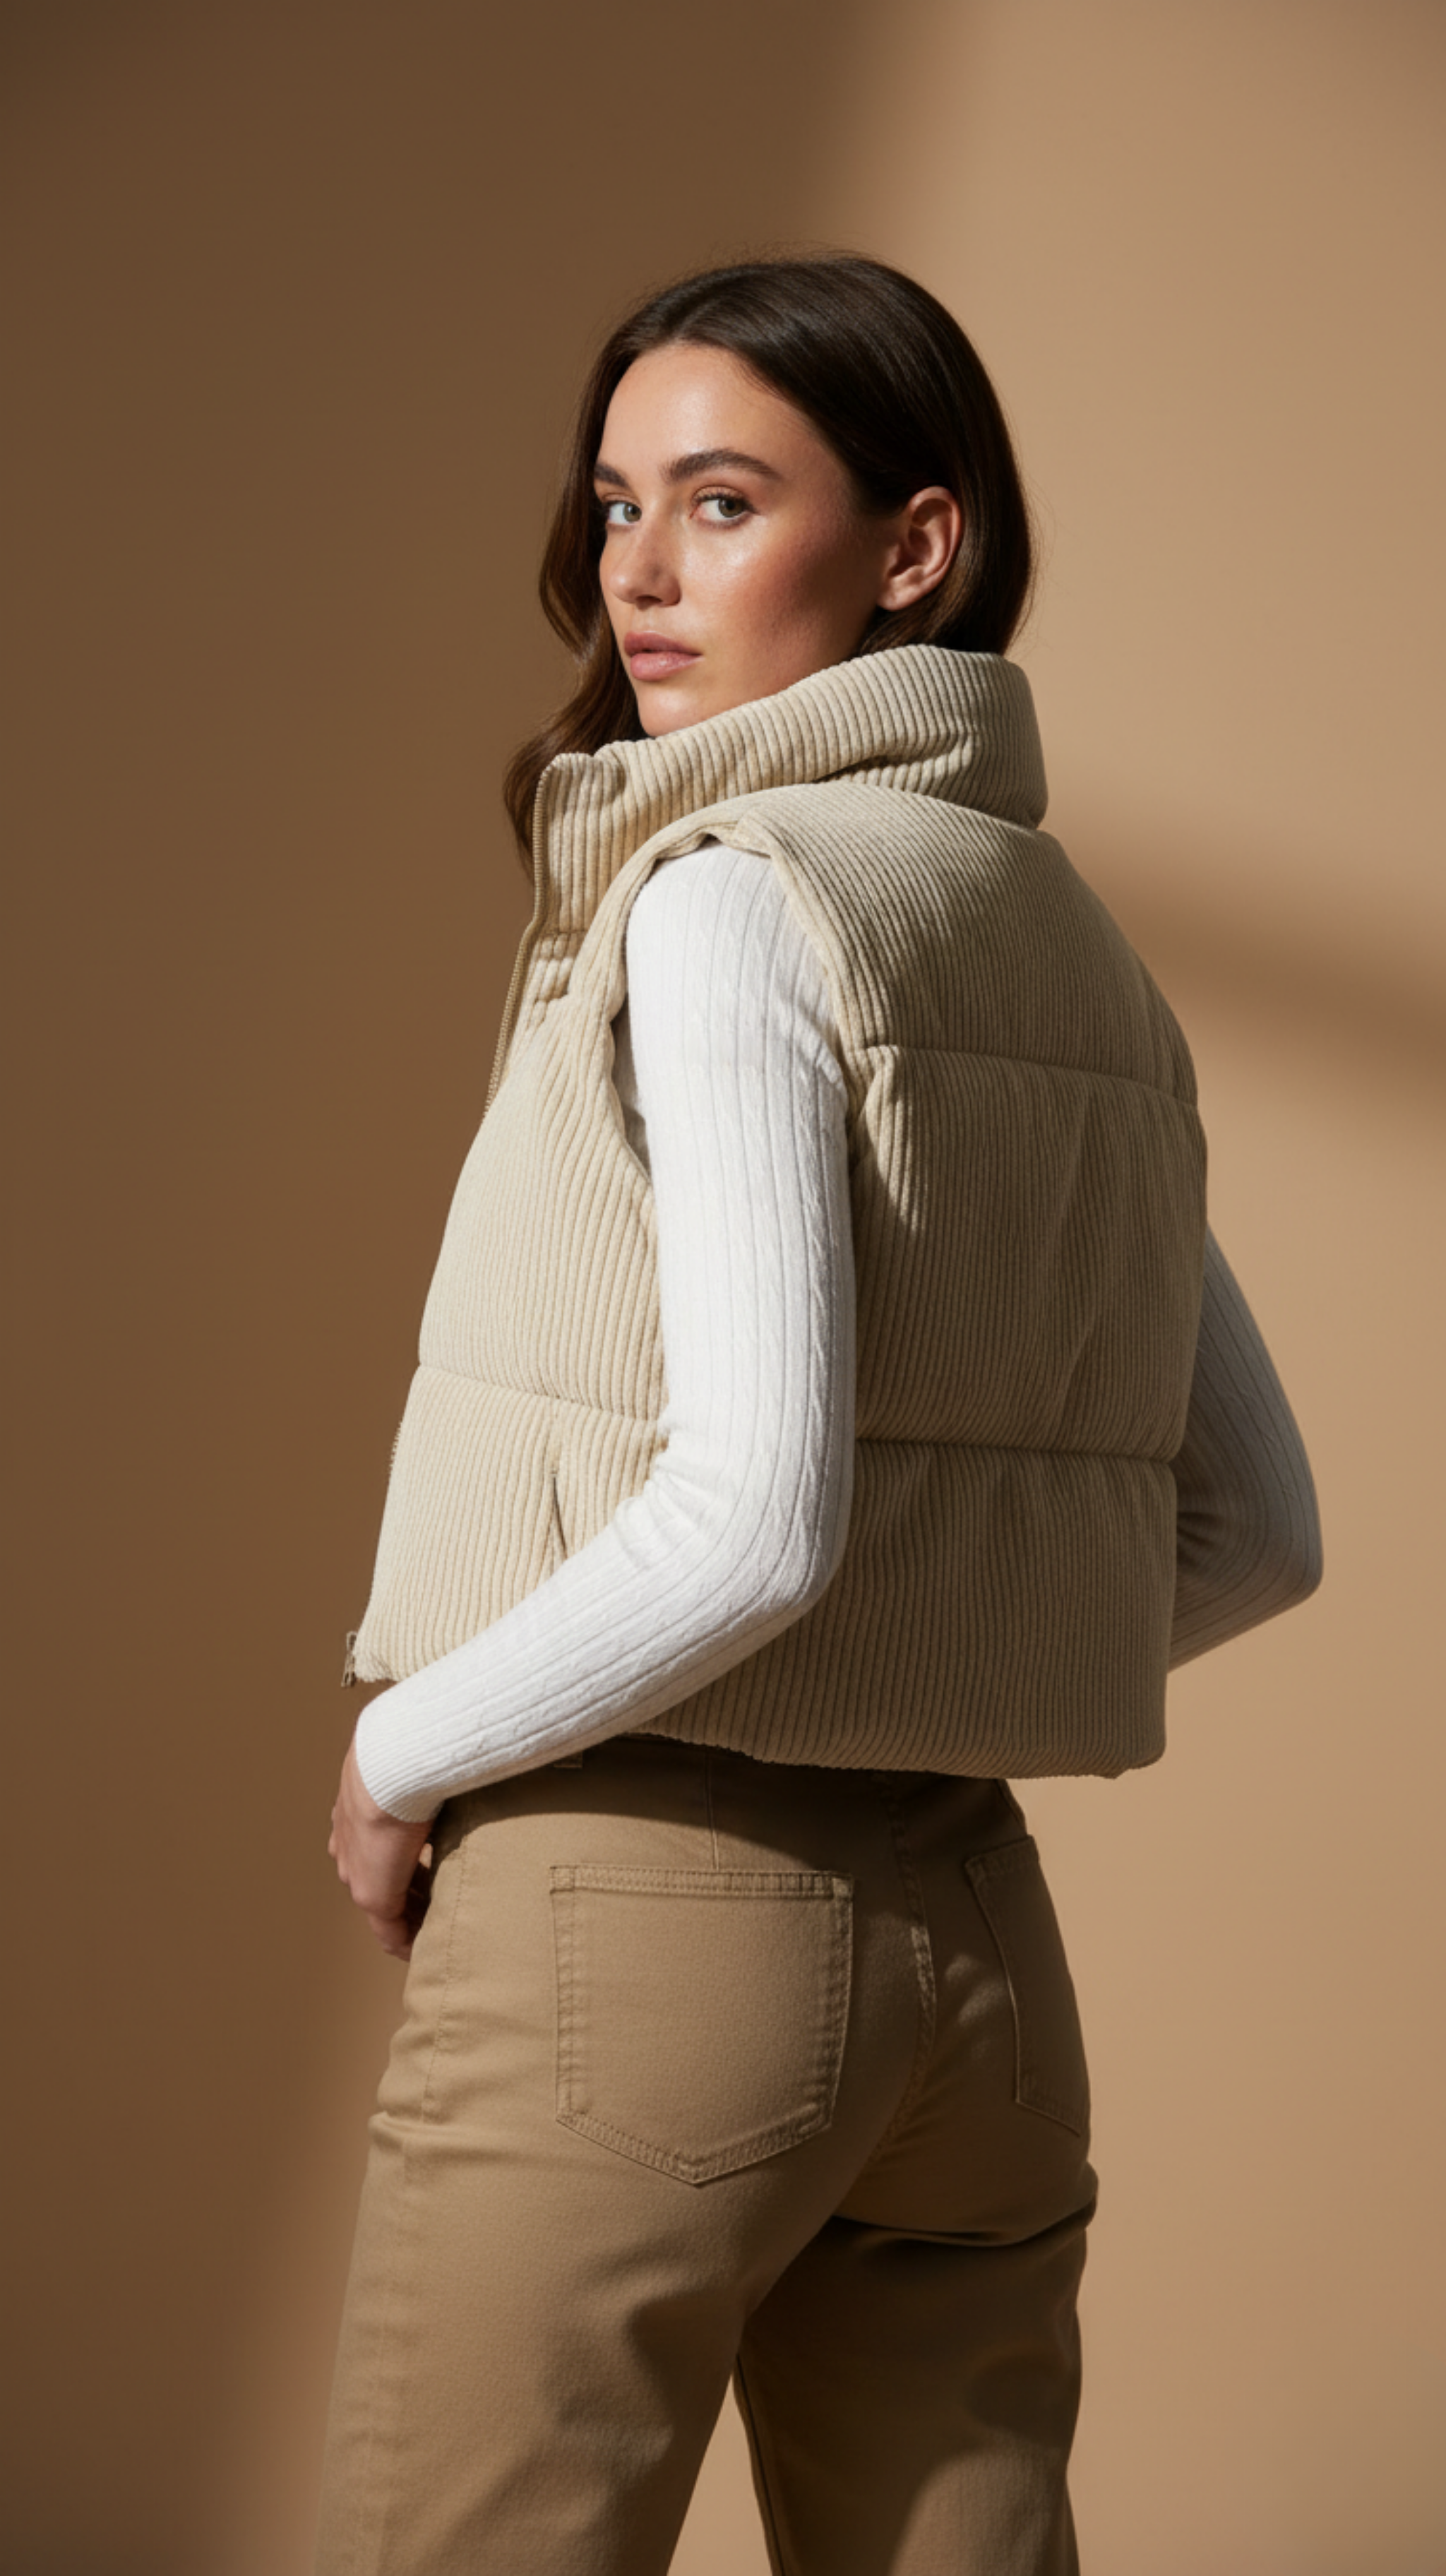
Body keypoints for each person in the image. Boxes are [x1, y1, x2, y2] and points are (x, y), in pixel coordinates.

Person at [318, 256, 1320, 2576]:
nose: (636, 574)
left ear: (914, 547)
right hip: (977, 1956)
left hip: (636, 1943)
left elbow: (755, 1517)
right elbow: (1257, 1529)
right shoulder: (1076, 960)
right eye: (614, 506)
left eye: (723, 498)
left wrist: (401, 1759)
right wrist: (936, 1680)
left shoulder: (726, 898)